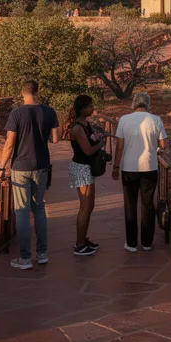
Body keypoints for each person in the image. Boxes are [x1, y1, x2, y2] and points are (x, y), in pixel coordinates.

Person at [0, 80, 60, 269]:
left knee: (22, 211)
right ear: (37, 92)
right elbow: (55, 139)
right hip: (41, 165)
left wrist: (1, 168)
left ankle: (24, 258)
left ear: (22, 93)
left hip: (21, 167)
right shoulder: (49, 112)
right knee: (39, 209)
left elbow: (9, 144)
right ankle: (42, 254)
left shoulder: (16, 113)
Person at [113, 92, 167, 252]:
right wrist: (155, 147)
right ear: (148, 104)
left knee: (130, 205)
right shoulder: (156, 120)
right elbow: (163, 145)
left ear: (134, 103)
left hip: (129, 167)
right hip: (149, 167)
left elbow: (120, 146)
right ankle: (147, 242)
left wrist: (116, 166)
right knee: (148, 204)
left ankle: (131, 243)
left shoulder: (124, 120)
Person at [67, 94, 108, 256]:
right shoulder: (77, 127)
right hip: (81, 168)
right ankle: (80, 244)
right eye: (90, 106)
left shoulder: (86, 124)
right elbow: (88, 150)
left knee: (89, 206)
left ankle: (83, 239)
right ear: (82, 108)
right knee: (85, 207)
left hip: (86, 167)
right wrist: (101, 143)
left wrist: (95, 138)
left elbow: (90, 142)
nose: (92, 108)